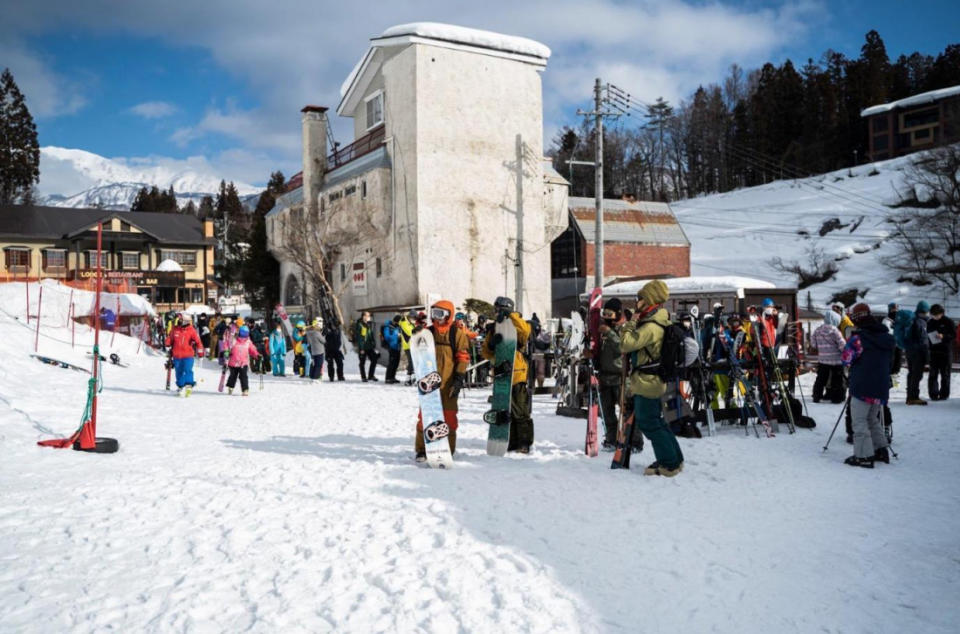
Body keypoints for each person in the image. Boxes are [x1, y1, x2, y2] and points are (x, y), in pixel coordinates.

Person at [620, 280, 684, 477]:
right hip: (650, 380)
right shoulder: (657, 320)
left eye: (639, 298)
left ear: (648, 300)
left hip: (648, 381)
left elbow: (626, 343)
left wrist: (630, 322)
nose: (636, 302)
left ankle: (669, 464)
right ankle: (674, 459)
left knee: (649, 423)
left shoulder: (651, 326)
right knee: (657, 422)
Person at [414, 300, 471, 462]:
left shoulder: (456, 333)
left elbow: (463, 357)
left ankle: (447, 448)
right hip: (430, 382)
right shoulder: (428, 332)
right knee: (425, 415)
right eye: (434, 314)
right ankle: (422, 449)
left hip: (449, 383)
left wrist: (459, 378)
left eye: (440, 314)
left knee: (449, 417)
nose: (436, 318)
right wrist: (417, 335)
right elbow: (417, 350)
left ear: (448, 316)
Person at [841, 303, 894, 467]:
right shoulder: (887, 337)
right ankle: (880, 450)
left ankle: (863, 456)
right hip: (881, 385)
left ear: (857, 319)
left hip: (863, 385)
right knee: (872, 418)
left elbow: (846, 358)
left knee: (859, 421)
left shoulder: (858, 339)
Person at [481, 296, 534, 453]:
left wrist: (511, 315)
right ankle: (509, 440)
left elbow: (525, 331)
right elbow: (485, 352)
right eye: (496, 309)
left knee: (520, 411)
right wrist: (491, 345)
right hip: (501, 374)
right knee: (503, 409)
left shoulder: (519, 328)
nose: (497, 312)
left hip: (517, 374)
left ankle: (524, 442)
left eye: (500, 309)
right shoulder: (493, 328)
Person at [597, 298, 625, 449]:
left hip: (620, 377)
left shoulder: (624, 328)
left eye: (610, 313)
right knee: (607, 412)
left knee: (626, 411)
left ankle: (632, 441)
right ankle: (611, 439)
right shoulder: (602, 329)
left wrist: (610, 333)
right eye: (604, 313)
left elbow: (623, 347)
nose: (607, 317)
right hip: (605, 376)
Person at [164, 313, 204, 397]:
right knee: (179, 371)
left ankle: (189, 385)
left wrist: (200, 352)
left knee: (187, 370)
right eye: (179, 319)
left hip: (188, 355)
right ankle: (181, 386)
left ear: (186, 321)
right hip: (177, 356)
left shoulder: (191, 330)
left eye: (181, 320)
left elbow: (198, 342)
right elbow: (170, 338)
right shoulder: (175, 329)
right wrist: (167, 344)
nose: (179, 321)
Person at [812, 310, 847, 403]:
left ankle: (817, 395)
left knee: (821, 378)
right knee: (837, 380)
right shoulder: (835, 331)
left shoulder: (817, 330)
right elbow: (842, 345)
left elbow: (813, 344)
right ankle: (837, 398)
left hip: (823, 360)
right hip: (836, 360)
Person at [905, 301, 930, 405]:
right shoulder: (921, 323)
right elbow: (923, 341)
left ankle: (909, 396)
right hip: (918, 352)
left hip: (909, 351)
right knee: (916, 375)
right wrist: (927, 357)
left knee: (911, 373)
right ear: (924, 312)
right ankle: (913, 397)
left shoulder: (912, 320)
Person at [926, 304, 954, 401]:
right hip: (934, 351)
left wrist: (944, 336)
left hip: (945, 352)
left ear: (941, 313)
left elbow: (953, 335)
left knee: (945, 374)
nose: (934, 316)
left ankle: (944, 394)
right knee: (933, 374)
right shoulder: (930, 322)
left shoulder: (948, 322)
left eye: (936, 315)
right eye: (932, 315)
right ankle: (933, 394)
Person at [225, 325, 260, 396]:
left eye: (246, 333)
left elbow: (252, 349)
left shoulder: (248, 341)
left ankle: (245, 389)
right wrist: (226, 352)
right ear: (240, 333)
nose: (245, 335)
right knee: (233, 376)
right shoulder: (234, 340)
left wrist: (257, 355)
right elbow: (227, 346)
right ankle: (230, 387)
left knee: (244, 376)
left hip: (243, 363)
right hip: (233, 362)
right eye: (243, 333)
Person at [353, 311, 380, 381]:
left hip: (369, 347)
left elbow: (370, 335)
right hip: (363, 347)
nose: (369, 317)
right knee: (362, 362)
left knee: (374, 359)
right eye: (368, 316)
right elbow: (359, 337)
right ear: (364, 316)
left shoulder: (367, 324)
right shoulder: (360, 325)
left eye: (369, 316)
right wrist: (361, 348)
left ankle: (371, 375)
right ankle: (363, 377)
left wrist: (373, 343)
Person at [382, 315, 402, 384]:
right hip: (391, 347)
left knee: (396, 363)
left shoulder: (398, 327)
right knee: (391, 363)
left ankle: (392, 377)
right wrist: (396, 335)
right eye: (399, 322)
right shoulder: (388, 327)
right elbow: (387, 337)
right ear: (395, 321)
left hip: (398, 347)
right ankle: (388, 378)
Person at [399, 311, 415, 385]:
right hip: (407, 346)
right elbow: (409, 332)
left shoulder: (410, 323)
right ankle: (409, 378)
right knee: (411, 361)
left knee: (413, 361)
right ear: (410, 316)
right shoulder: (404, 322)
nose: (414, 319)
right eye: (413, 317)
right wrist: (417, 329)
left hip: (413, 345)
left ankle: (410, 378)